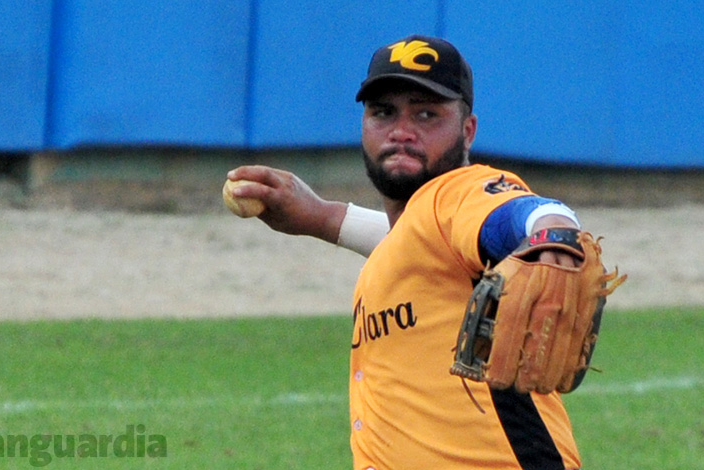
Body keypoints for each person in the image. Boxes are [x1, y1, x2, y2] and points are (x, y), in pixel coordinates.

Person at [228, 34, 587, 469]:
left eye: (426, 113)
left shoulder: (458, 192)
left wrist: (553, 230)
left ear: (467, 130)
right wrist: (324, 217)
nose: (401, 131)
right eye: (383, 112)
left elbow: (518, 213)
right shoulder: (421, 239)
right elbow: (413, 245)